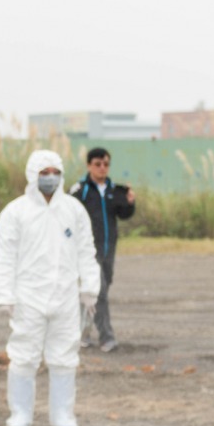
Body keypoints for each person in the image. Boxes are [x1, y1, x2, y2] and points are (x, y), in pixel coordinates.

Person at [0, 149, 100, 426]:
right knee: (24, 355)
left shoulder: (73, 210)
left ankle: (63, 416)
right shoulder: (16, 212)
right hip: (28, 296)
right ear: (32, 175)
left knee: (65, 356)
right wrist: (3, 294)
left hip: (65, 295)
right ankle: (20, 415)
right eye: (44, 173)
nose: (50, 178)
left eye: (55, 172)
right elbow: (4, 256)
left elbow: (87, 251)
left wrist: (89, 287)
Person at [70, 147, 136, 352]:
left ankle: (82, 333)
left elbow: (123, 214)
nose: (102, 168)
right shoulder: (80, 191)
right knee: (99, 292)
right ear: (89, 165)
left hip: (109, 248)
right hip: (88, 250)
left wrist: (130, 203)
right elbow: (67, 215)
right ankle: (107, 337)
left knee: (96, 289)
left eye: (106, 164)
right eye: (98, 164)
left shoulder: (113, 191)